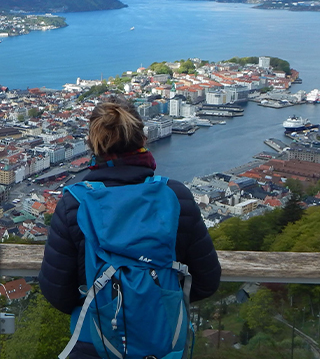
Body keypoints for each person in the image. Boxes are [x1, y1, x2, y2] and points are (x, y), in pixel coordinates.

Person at [38, 97, 221, 358]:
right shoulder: (176, 197)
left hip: (96, 342)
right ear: (143, 139)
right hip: (162, 341)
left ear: (93, 146)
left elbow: (57, 292)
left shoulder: (74, 205)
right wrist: (155, 301)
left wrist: (105, 306)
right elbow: (206, 280)